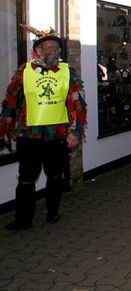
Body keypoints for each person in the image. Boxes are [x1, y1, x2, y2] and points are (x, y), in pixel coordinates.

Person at [1, 29, 87, 230]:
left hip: (56, 135)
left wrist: (74, 132)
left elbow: (78, 106)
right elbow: (11, 99)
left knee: (55, 176)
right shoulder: (24, 71)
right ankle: (23, 219)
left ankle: (52, 212)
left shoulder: (68, 73)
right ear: (38, 51)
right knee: (26, 179)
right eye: (46, 48)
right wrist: (6, 123)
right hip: (28, 135)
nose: (52, 51)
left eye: (55, 48)